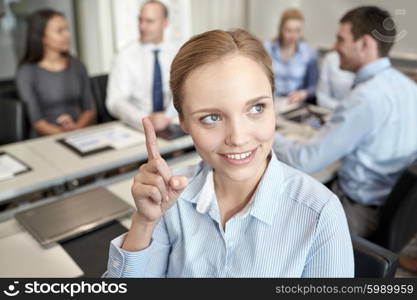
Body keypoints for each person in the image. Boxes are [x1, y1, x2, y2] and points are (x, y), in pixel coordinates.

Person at [104, 29, 354, 278]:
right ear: (183, 122)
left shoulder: (320, 213)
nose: (238, 138)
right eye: (211, 118)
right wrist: (144, 224)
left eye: (257, 107)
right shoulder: (169, 198)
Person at [274, 6, 417, 238]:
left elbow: (304, 161)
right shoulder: (409, 88)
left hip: (359, 213)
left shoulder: (364, 98)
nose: (334, 47)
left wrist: (267, 133)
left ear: (366, 44)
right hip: (394, 209)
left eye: (340, 39)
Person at [16, 9, 95, 137]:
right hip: (45, 140)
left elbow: (89, 109)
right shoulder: (26, 72)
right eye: (60, 31)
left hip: (79, 134)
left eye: (67, 29)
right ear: (42, 37)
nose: (67, 34)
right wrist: (63, 134)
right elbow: (37, 122)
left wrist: (75, 129)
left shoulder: (78, 65)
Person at [106, 0, 179, 131]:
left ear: (165, 23)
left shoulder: (178, 52)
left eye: (149, 21)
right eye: (140, 20)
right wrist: (146, 120)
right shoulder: (125, 55)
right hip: (139, 127)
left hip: (174, 124)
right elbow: (115, 101)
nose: (142, 27)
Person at [263, 9, 319, 103]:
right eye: (288, 30)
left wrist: (303, 93)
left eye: (297, 31)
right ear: (280, 29)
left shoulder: (309, 52)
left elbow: (314, 86)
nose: (293, 36)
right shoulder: (267, 48)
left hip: (295, 103)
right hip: (271, 101)